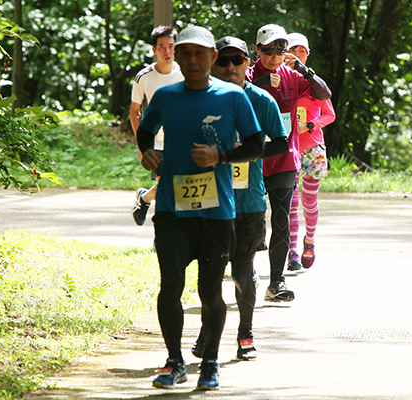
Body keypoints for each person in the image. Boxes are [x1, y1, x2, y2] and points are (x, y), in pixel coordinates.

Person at [137, 26, 265, 391]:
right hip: (173, 211)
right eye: (186, 53)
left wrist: (221, 156)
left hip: (216, 213)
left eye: (200, 54)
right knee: (170, 287)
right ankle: (174, 361)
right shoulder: (166, 97)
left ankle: (209, 363)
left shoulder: (232, 97)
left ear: (211, 57)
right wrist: (148, 154)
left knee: (210, 292)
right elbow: (145, 132)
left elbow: (256, 144)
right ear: (176, 56)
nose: (192, 60)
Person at [191, 36, 288, 361]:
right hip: (209, 200)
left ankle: (245, 333)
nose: (230, 67)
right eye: (224, 61)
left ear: (248, 63)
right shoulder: (200, 100)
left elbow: (281, 143)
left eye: (238, 61)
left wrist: (239, 154)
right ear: (214, 62)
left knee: (242, 272)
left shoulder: (261, 101)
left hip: (248, 203)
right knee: (210, 271)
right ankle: (208, 332)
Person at [246, 24, 332, 302]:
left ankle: (277, 283)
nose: (274, 56)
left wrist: (304, 70)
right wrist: (259, 84)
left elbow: (324, 95)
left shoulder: (292, 75)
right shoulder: (248, 74)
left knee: (281, 221)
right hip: (252, 161)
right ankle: (247, 273)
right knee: (251, 222)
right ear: (257, 50)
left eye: (280, 50)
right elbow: (230, 92)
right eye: (269, 50)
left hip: (285, 159)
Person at [285, 33, 336, 270]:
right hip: (288, 148)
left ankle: (310, 241)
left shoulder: (315, 83)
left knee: (309, 202)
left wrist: (310, 125)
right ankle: (292, 252)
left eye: (301, 50)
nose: (297, 53)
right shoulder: (281, 80)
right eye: (292, 49)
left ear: (307, 53)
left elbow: (330, 114)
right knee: (291, 202)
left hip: (313, 150)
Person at [130, 26, 184, 226]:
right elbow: (134, 112)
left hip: (180, 141)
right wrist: (141, 145)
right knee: (168, 189)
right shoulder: (143, 77)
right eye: (162, 47)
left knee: (177, 188)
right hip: (156, 143)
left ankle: (145, 197)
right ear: (154, 50)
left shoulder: (185, 73)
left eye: (171, 46)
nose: (167, 52)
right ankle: (161, 233)